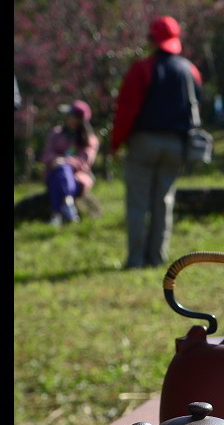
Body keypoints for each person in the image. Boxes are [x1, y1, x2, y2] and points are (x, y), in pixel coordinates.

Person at [111, 15, 202, 269]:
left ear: (151, 39)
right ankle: (157, 257)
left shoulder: (142, 69)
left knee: (139, 203)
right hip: (176, 146)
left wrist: (116, 143)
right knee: (164, 202)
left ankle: (136, 259)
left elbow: (126, 110)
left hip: (144, 142)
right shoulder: (190, 70)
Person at [41, 100, 99, 226]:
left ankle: (56, 215)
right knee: (61, 172)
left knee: (63, 170)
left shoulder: (89, 140)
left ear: (79, 119)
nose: (68, 118)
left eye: (72, 115)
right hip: (54, 173)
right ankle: (68, 203)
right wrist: (56, 161)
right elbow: (46, 154)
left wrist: (65, 162)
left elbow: (84, 161)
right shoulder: (56, 133)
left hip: (77, 178)